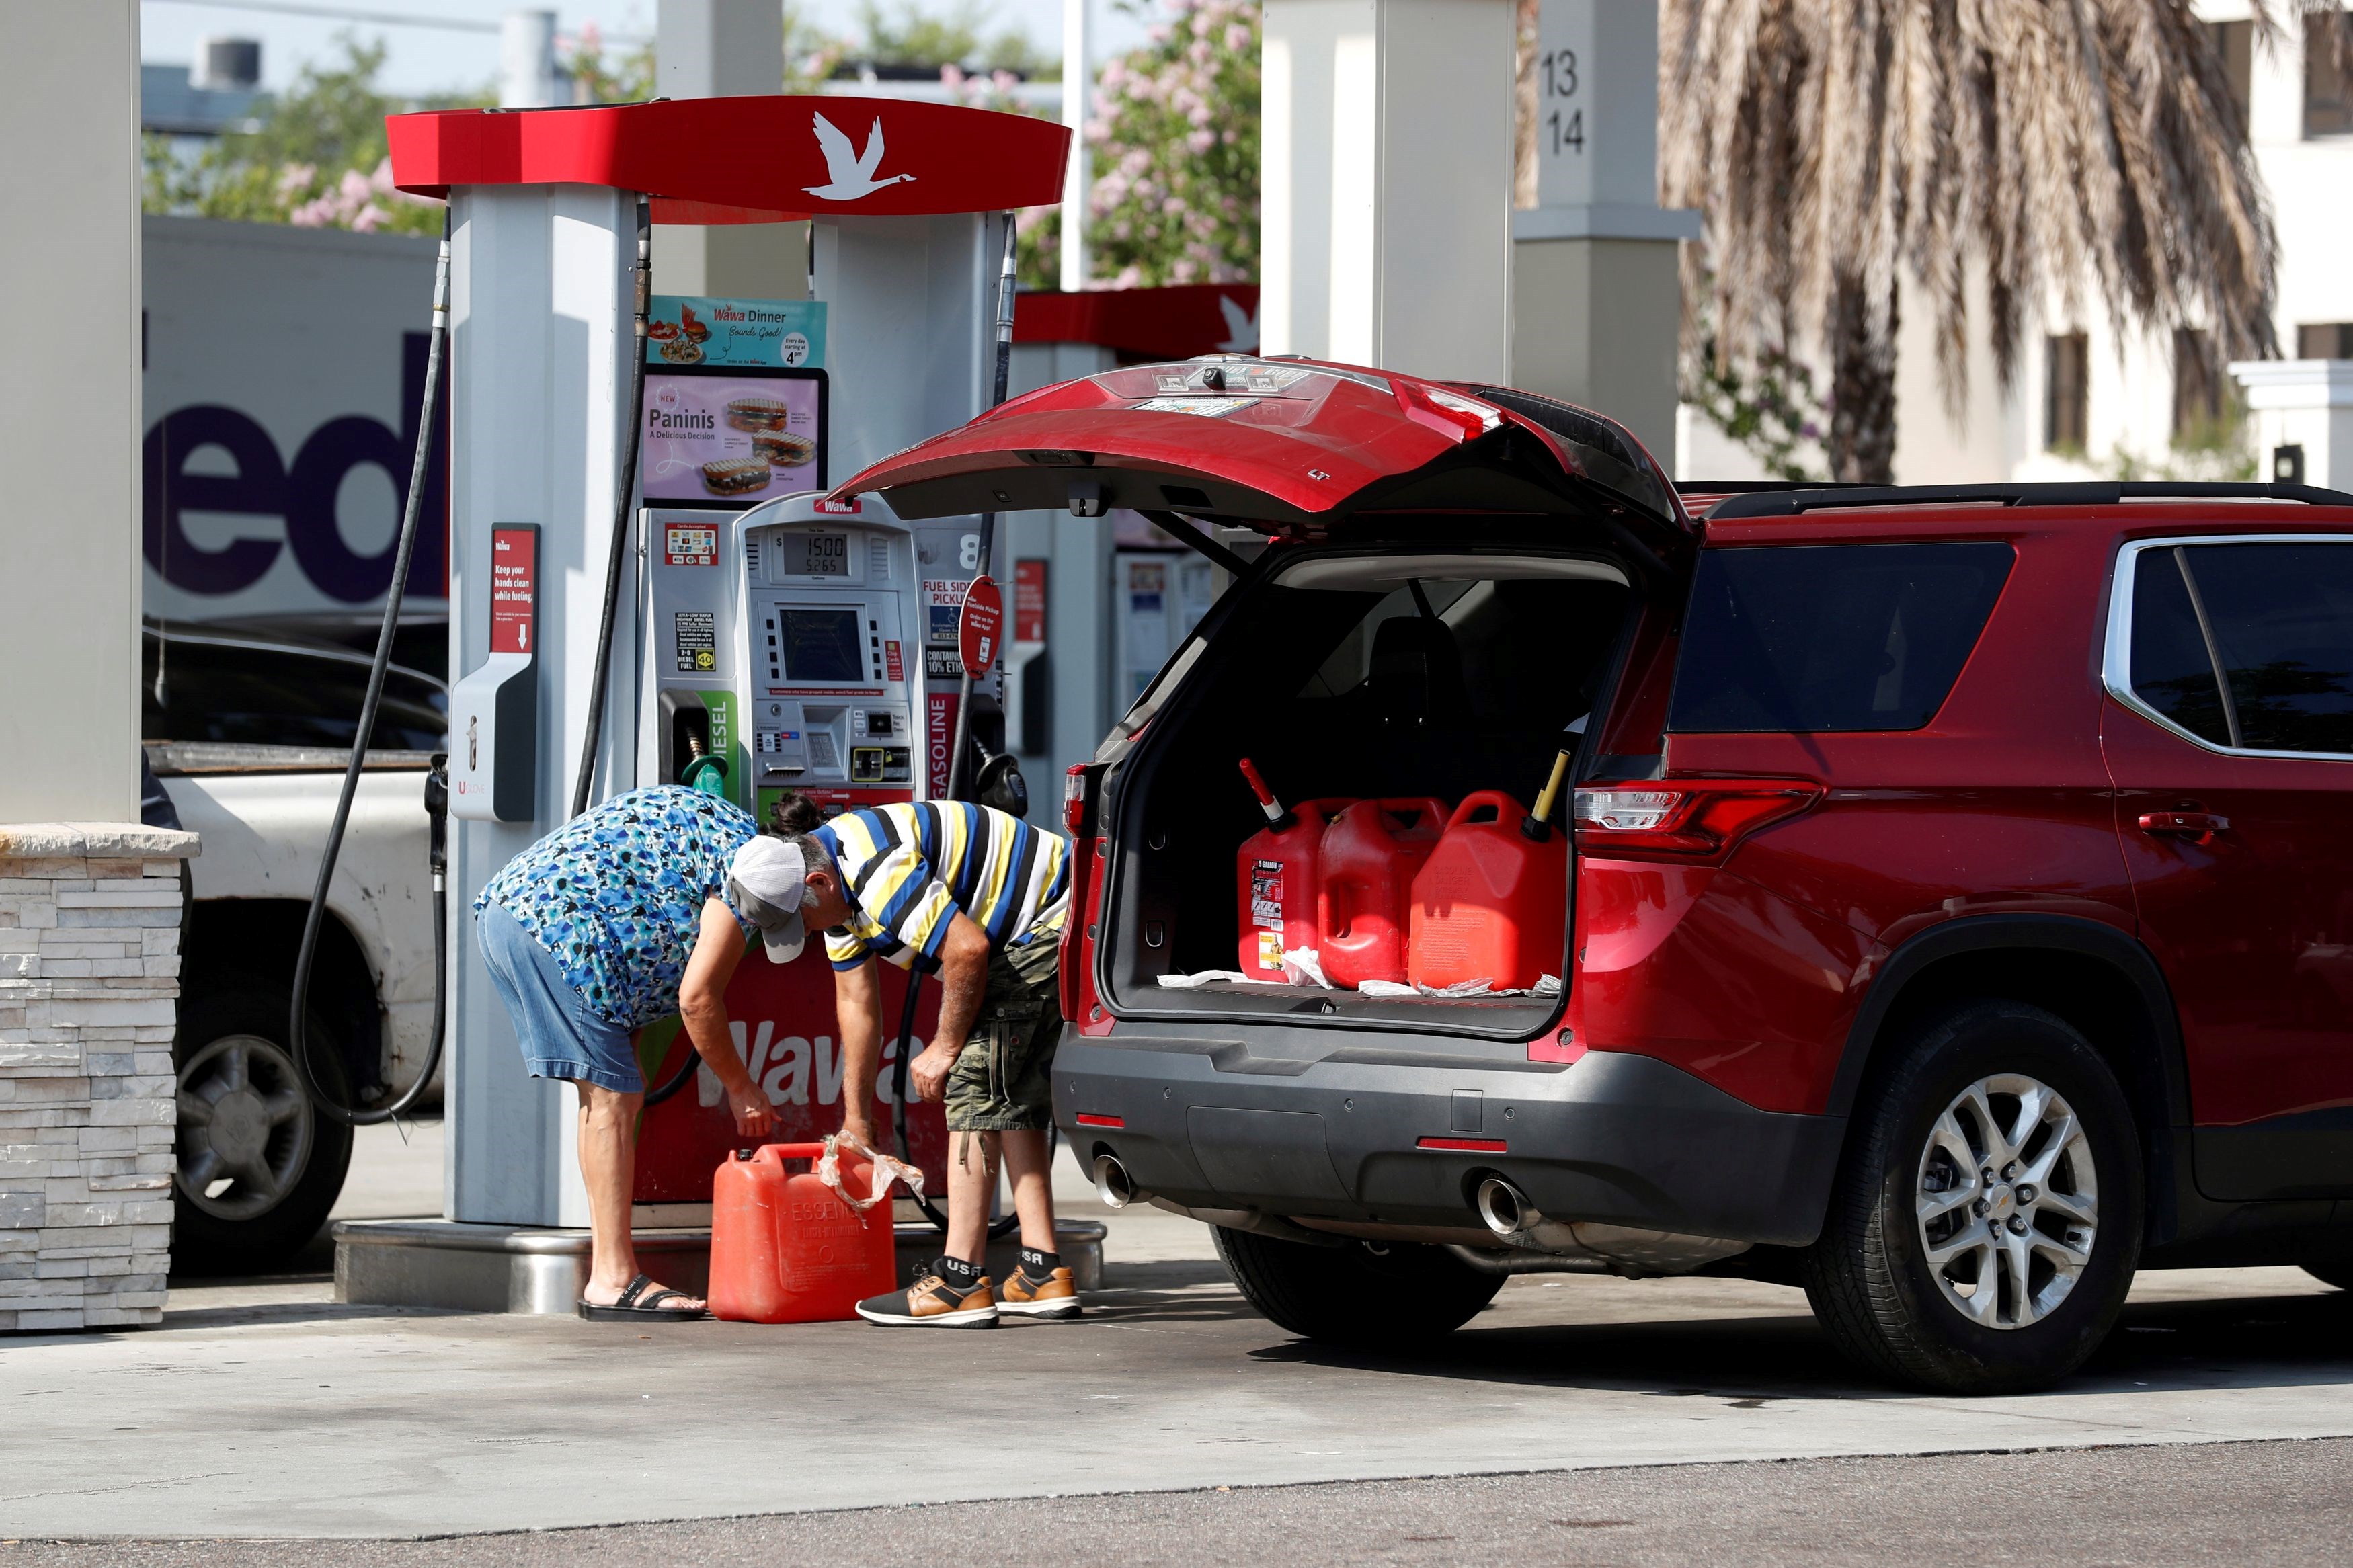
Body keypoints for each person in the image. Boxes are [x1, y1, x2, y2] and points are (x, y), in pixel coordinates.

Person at [473, 784, 806, 1321]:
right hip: (562, 932)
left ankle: (611, 1270)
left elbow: (639, 893)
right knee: (613, 1098)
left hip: (516, 910)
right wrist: (742, 1088)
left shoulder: (720, 821)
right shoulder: (748, 884)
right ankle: (612, 1277)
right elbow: (697, 999)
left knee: (610, 1097)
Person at [758, 791, 1077, 1329]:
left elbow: (967, 948)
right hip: (1043, 925)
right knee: (1008, 1091)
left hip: (1050, 920)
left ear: (817, 885)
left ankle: (959, 1281)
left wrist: (945, 1046)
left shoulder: (875, 871)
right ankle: (1041, 1271)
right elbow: (856, 1002)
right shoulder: (834, 887)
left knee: (972, 1083)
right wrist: (857, 1119)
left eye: (803, 923)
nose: (810, 934)